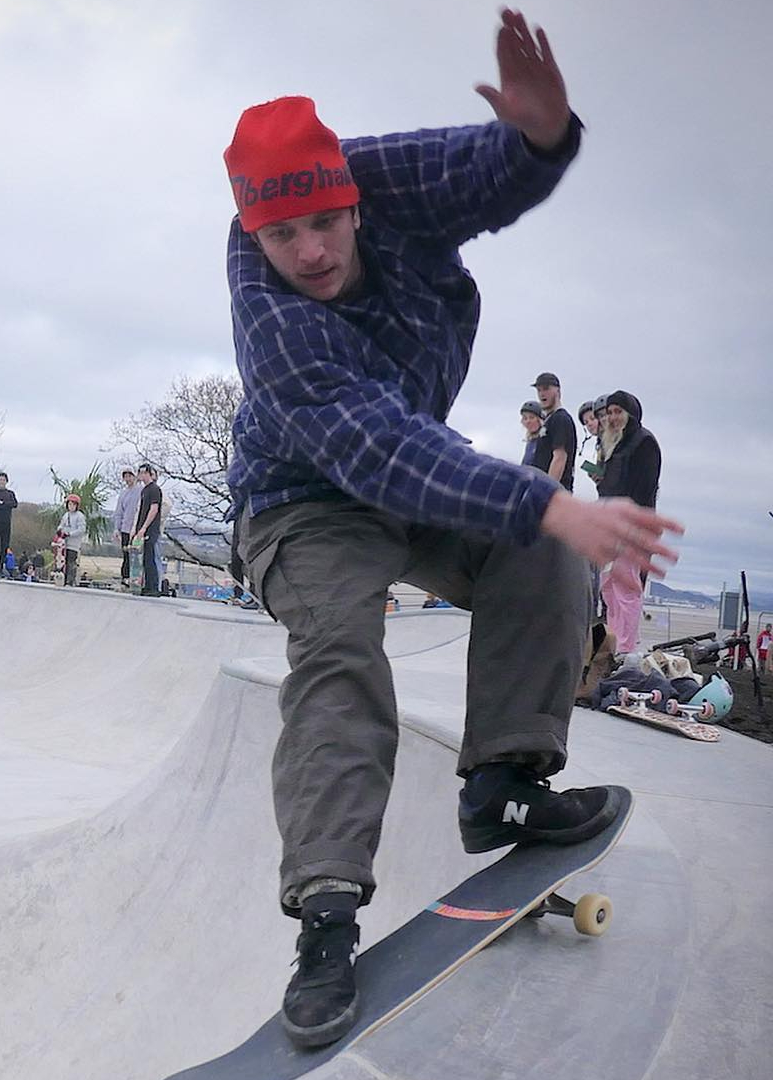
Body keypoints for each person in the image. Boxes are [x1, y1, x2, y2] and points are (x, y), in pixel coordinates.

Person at [221, 11, 681, 1048]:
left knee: (544, 541)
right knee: (342, 648)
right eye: (283, 236)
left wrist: (540, 136)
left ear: (350, 197)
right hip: (302, 503)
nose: (311, 252)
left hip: (403, 482)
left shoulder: (377, 177)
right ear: (255, 232)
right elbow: (379, 446)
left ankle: (506, 782)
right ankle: (326, 920)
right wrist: (547, 495)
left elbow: (479, 173)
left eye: (325, 224)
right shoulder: (271, 317)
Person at [595, 390, 663, 654]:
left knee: (627, 587)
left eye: (617, 412)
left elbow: (645, 489)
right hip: (609, 521)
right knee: (608, 586)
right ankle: (614, 643)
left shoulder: (644, 442)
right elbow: (607, 485)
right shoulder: (612, 444)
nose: (612, 418)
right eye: (609, 412)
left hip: (632, 525)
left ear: (630, 414)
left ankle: (625, 648)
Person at [530, 373, 576, 490]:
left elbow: (560, 457)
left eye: (546, 389)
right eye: (539, 390)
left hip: (556, 491)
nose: (542, 394)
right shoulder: (549, 420)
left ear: (558, 391)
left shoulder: (560, 419)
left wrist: (548, 490)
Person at [131, 464, 163, 596]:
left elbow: (154, 509)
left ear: (150, 473)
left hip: (151, 529)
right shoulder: (144, 490)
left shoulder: (155, 489)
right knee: (144, 559)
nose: (141, 475)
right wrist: (136, 528)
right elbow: (140, 511)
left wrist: (145, 527)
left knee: (151, 558)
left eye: (144, 472)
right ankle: (147, 585)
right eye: (140, 473)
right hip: (141, 529)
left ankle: (154, 587)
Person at [112, 467, 143, 588]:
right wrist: (117, 528)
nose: (128, 479)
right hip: (125, 529)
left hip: (137, 529)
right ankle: (125, 579)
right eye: (126, 476)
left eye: (130, 476)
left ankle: (137, 580)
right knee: (126, 555)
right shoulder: (123, 493)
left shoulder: (141, 490)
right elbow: (119, 512)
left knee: (137, 556)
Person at [56, 494, 87, 586]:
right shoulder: (66, 515)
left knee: (71, 562)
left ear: (77, 506)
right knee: (62, 562)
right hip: (64, 543)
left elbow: (81, 529)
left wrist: (70, 534)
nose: (71, 506)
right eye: (69, 504)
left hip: (74, 544)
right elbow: (61, 525)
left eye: (73, 504)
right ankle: (62, 579)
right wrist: (59, 530)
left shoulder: (80, 516)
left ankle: (70, 580)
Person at [518, 401, 542, 466]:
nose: (528, 421)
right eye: (525, 418)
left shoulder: (546, 440)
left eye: (532, 417)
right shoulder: (530, 443)